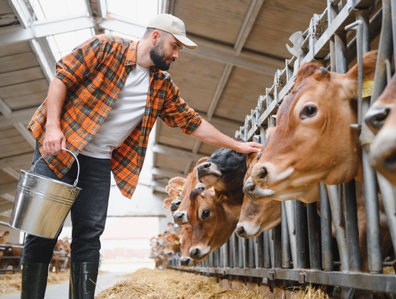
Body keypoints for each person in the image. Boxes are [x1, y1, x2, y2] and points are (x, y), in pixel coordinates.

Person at [21, 13, 263, 299]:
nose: (176, 55)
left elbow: (192, 122)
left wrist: (237, 145)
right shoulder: (104, 47)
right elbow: (61, 78)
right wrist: (51, 128)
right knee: (42, 229)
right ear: (156, 37)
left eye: (179, 50)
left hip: (97, 160)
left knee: (89, 234)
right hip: (61, 148)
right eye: (174, 46)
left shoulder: (161, 85)